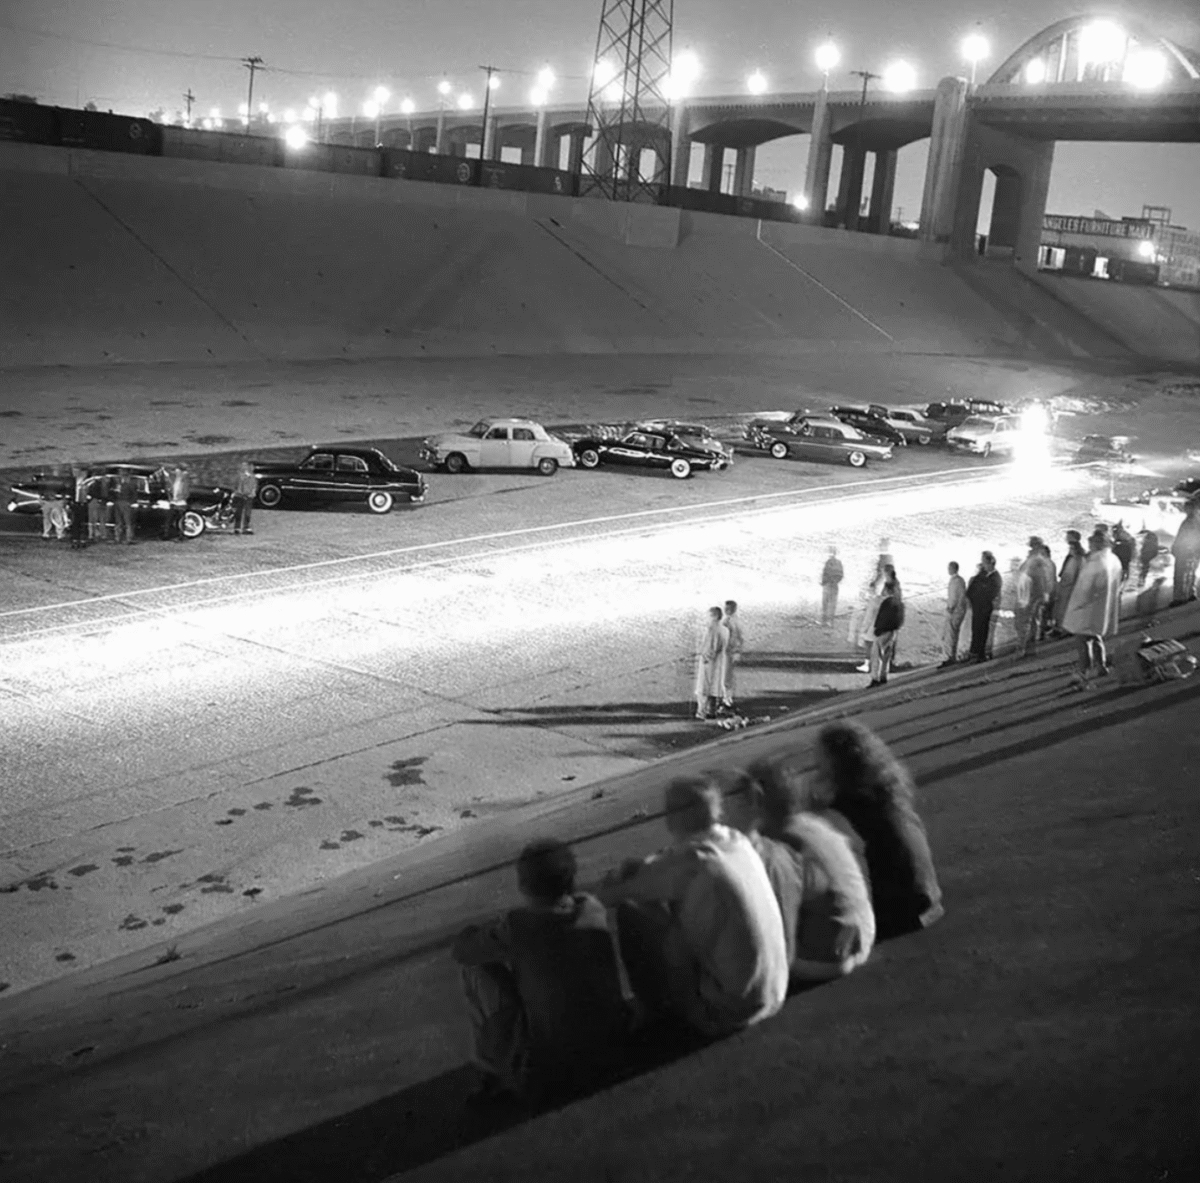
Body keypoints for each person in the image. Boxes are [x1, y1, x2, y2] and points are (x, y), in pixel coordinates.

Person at [598, 775, 789, 1040]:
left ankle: (656, 1012)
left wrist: (621, 878)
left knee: (634, 911)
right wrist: (645, 869)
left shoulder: (691, 860)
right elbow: (668, 864)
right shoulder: (737, 841)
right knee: (678, 909)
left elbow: (610, 895)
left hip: (729, 1011)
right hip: (774, 993)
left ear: (672, 817)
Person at [451, 838, 631, 1104]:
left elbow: (463, 951)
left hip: (549, 1076)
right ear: (570, 880)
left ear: (523, 886)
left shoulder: (518, 925)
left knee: (477, 969)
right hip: (614, 1052)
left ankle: (494, 1073)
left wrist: (476, 932)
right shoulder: (591, 907)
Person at [741, 756, 875, 984]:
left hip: (824, 959)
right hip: (863, 932)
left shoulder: (777, 846)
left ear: (755, 799)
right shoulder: (818, 824)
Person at [810, 719, 944, 941]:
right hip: (929, 901)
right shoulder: (887, 792)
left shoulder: (844, 808)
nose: (815, 768)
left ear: (836, 763)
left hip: (895, 916)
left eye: (820, 762)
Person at [1062, 530, 1123, 686]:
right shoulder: (1114, 560)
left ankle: (1083, 671)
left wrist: (1076, 606)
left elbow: (1085, 588)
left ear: (1096, 544)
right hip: (1104, 606)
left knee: (1082, 640)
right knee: (1096, 636)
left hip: (1088, 607)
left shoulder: (1096, 563)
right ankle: (1101, 665)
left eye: (1091, 544)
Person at [1014, 536, 1057, 657]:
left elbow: (1042, 578)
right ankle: (1029, 648)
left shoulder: (1038, 561)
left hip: (1031, 595)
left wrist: (1044, 594)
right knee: (1031, 621)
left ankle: (1024, 648)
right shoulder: (1037, 560)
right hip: (1030, 594)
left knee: (1025, 622)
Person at [965, 551, 1002, 662]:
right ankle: (974, 652)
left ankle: (981, 653)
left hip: (984, 608)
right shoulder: (982, 575)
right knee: (976, 629)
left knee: (982, 630)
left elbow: (990, 594)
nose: (982, 565)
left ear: (989, 563)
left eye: (984, 562)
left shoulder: (995, 577)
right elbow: (972, 587)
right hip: (977, 607)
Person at [694, 606, 729, 721]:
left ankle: (701, 712)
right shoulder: (725, 630)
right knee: (714, 688)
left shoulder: (711, 629)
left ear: (713, 616)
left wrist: (705, 657)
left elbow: (711, 647)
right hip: (720, 662)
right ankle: (712, 711)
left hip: (709, 662)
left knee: (703, 689)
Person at [868, 576, 903, 687]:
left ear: (887, 590)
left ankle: (875, 678)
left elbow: (882, 618)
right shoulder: (899, 603)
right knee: (886, 656)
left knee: (876, 655)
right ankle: (883, 676)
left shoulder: (887, 603)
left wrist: (878, 629)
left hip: (884, 632)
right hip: (893, 632)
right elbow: (900, 620)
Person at [1052, 530, 1086, 635]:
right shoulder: (1077, 558)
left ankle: (1063, 629)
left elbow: (1071, 575)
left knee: (1064, 608)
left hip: (1069, 587)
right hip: (1069, 586)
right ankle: (1061, 627)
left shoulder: (1076, 559)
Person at [1170, 499, 1200, 605]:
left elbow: (1186, 537)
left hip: (1186, 552)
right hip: (1188, 552)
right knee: (1188, 574)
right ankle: (1189, 594)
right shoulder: (1193, 520)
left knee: (1182, 575)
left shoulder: (1191, 521)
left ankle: (1181, 597)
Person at [940, 561, 967, 667]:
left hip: (955, 611)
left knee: (950, 634)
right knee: (953, 633)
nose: (948, 569)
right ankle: (951, 655)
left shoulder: (956, 581)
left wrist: (950, 608)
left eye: (949, 568)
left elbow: (954, 597)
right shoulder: (959, 580)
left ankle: (950, 656)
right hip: (958, 610)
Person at [721, 600, 744, 712]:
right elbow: (740, 638)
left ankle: (727, 701)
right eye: (725, 608)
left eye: (728, 608)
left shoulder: (730, 621)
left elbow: (736, 637)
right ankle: (728, 699)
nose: (726, 610)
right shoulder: (733, 620)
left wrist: (736, 651)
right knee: (728, 677)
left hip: (727, 652)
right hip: (728, 652)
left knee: (726, 678)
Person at [819, 546, 843, 628]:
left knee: (825, 603)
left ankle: (824, 621)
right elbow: (841, 575)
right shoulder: (839, 563)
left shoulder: (828, 562)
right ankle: (830, 622)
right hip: (835, 585)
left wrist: (823, 582)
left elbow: (825, 574)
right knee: (832, 604)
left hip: (827, 585)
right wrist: (835, 581)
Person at [112, 469, 138, 544]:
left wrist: (130, 502)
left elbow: (134, 494)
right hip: (121, 502)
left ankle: (125, 538)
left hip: (123, 502)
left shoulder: (127, 485)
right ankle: (121, 538)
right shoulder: (120, 485)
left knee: (125, 521)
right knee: (122, 521)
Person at [233, 460, 257, 535]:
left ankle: (246, 526)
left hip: (248, 496)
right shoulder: (240, 476)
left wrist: (252, 492)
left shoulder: (252, 476)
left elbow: (254, 486)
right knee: (239, 512)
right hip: (241, 496)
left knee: (247, 513)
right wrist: (240, 493)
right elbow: (237, 486)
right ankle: (237, 527)